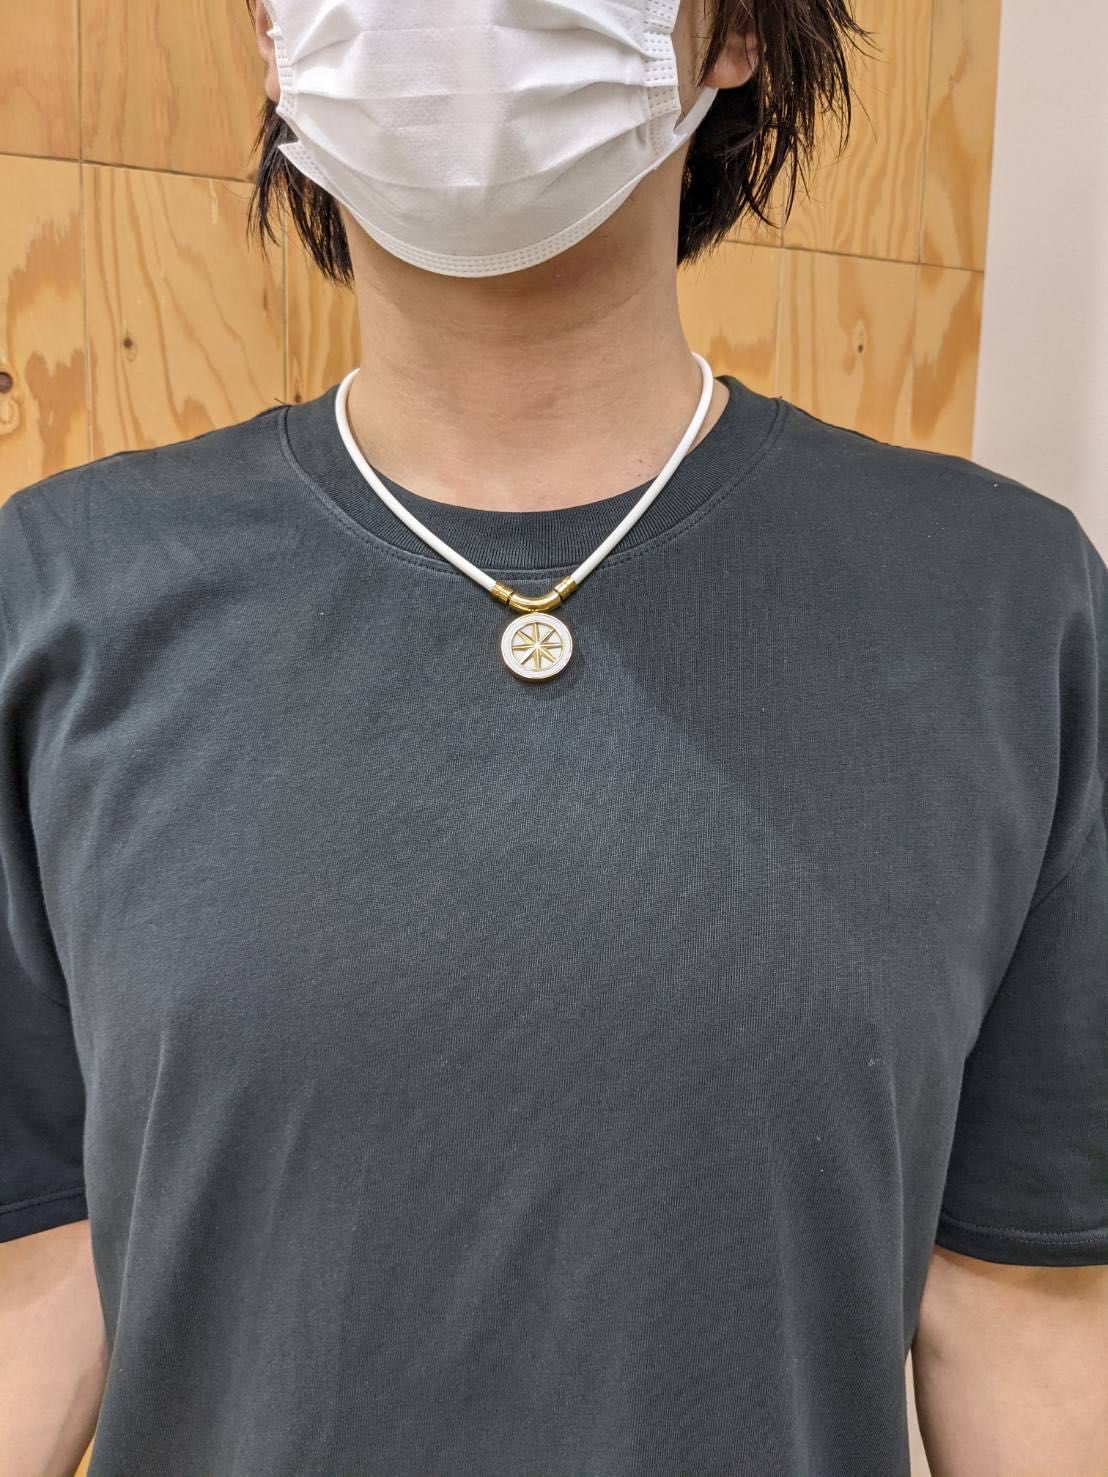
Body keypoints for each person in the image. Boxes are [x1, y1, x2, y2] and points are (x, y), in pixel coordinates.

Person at [1, 0, 1105, 1472]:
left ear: (738, 33)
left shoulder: (1002, 611)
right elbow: (39, 1273)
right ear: (271, 31)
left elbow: (1022, 1307)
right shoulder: (60, 599)